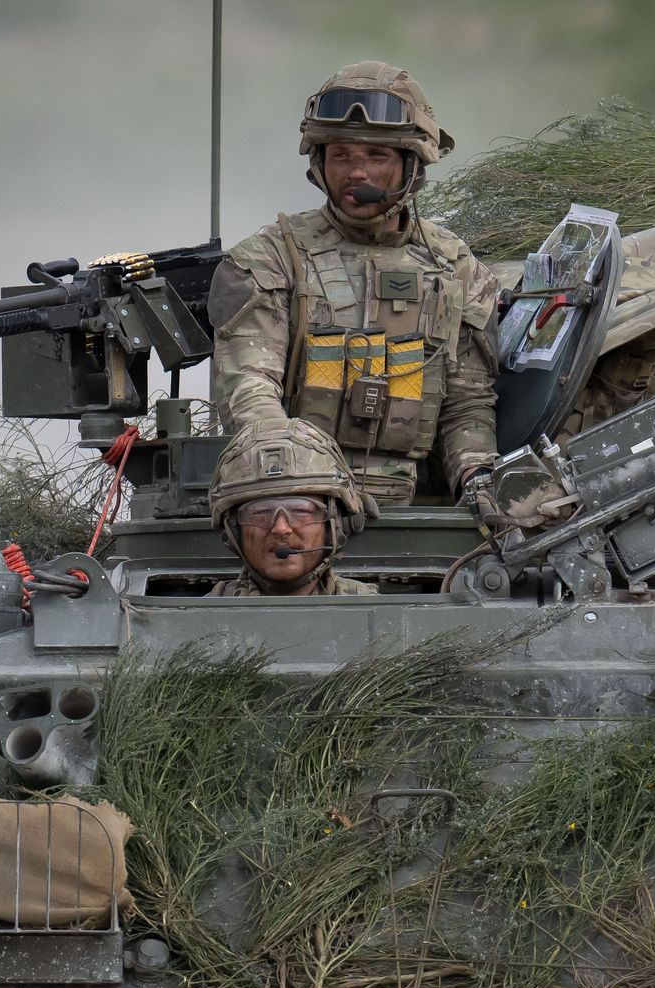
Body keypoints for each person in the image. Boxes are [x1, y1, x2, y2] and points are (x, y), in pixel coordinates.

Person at [203, 61, 502, 511]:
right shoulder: (270, 258)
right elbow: (249, 390)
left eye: (376, 157)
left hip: (422, 506)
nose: (357, 173)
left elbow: (467, 403)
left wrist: (477, 477)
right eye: (342, 155)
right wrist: (298, 483)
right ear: (320, 163)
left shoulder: (454, 266)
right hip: (295, 502)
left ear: (411, 165)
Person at [206, 419, 378, 597]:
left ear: (335, 524)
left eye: (301, 511)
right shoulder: (200, 619)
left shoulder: (379, 614)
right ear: (233, 530)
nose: (281, 528)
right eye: (261, 513)